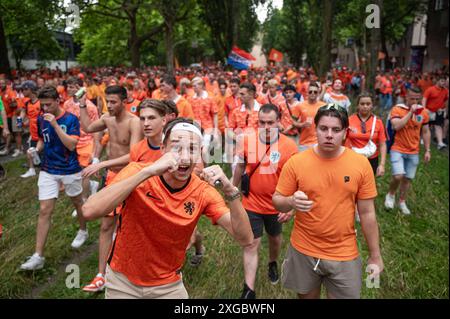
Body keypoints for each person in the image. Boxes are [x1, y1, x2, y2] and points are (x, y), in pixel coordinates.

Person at [82, 117, 253, 299]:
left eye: (193, 149)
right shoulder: (137, 171)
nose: (185, 157)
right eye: (177, 147)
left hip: (168, 286)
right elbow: (89, 211)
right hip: (122, 281)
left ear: (200, 154)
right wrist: (147, 172)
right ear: (163, 149)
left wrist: (231, 191)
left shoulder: (203, 192)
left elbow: (245, 238)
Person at [272, 103, 383, 299]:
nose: (329, 134)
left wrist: (375, 255)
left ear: (345, 132)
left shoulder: (361, 164)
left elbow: (367, 213)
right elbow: (277, 200)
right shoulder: (297, 162)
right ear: (316, 130)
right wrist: (291, 201)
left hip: (344, 251)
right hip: (304, 249)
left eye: (336, 129)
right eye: (323, 129)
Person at [78, 85, 143, 292]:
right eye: (108, 101)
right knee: (106, 226)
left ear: (125, 101)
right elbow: (87, 128)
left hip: (131, 178)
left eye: (114, 102)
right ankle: (101, 275)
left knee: (134, 226)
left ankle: (135, 270)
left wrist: (102, 163)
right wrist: (81, 105)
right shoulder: (107, 118)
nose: (110, 105)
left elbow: (134, 156)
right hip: (112, 177)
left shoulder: (134, 123)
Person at [232, 104, 298, 299]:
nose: (266, 126)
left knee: (275, 239)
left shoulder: (289, 147)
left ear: (279, 122)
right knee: (251, 244)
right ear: (257, 122)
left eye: (271, 122)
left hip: (276, 206)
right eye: (262, 122)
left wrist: (290, 206)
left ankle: (272, 262)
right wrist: (233, 189)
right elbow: (240, 168)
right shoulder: (248, 142)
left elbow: (297, 179)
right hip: (250, 202)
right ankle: (248, 290)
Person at [19, 86, 88, 270]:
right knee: (44, 210)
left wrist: (56, 125)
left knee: (77, 202)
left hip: (69, 169)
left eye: (49, 105)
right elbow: (42, 139)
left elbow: (72, 145)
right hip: (48, 170)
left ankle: (83, 230)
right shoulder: (42, 118)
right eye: (43, 106)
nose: (45, 109)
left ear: (58, 100)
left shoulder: (71, 119)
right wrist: (36, 149)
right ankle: (38, 256)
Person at [384, 87, 431, 215]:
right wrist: (410, 112)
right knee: (398, 175)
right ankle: (391, 195)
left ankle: (402, 201)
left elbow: (426, 131)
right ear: (406, 97)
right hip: (397, 148)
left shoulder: (424, 113)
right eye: (412, 98)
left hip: (414, 150)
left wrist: (427, 150)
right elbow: (396, 126)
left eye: (417, 98)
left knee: (407, 178)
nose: (415, 101)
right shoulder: (397, 109)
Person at [346, 92, 387, 176]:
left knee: (368, 185)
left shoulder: (378, 122)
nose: (365, 106)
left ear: (372, 105)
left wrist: (382, 165)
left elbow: (383, 144)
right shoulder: (349, 120)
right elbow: (342, 140)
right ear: (357, 105)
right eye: (362, 104)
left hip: (371, 159)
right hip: (352, 158)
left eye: (368, 104)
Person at [292, 82, 326, 151]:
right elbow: (293, 122)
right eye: (310, 91)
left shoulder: (324, 106)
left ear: (318, 93)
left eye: (315, 92)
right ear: (307, 92)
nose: (312, 93)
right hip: (304, 142)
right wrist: (302, 125)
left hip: (319, 141)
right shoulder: (299, 106)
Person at [19, 81, 41, 178]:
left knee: (42, 151)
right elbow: (23, 112)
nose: (22, 91)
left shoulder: (40, 102)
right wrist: (20, 121)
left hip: (42, 131)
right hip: (33, 132)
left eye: (24, 89)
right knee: (31, 150)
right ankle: (32, 169)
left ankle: (42, 167)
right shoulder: (27, 103)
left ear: (31, 89)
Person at [422, 75, 449, 150]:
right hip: (429, 111)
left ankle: (440, 143)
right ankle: (423, 139)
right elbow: (424, 99)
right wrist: (424, 109)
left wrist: (446, 111)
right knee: (426, 126)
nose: (444, 83)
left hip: (439, 111)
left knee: (438, 126)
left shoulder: (446, 91)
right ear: (438, 81)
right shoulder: (430, 89)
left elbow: (446, 101)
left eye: (444, 81)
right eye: (442, 81)